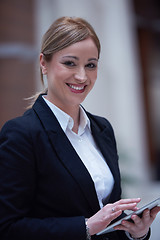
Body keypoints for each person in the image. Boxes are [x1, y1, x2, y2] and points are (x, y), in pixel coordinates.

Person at [0, 16, 159, 240]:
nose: (82, 76)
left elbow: (110, 216)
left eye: (90, 65)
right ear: (43, 63)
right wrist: (84, 227)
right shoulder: (21, 134)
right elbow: (7, 229)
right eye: (70, 63)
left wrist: (137, 233)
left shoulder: (102, 128)